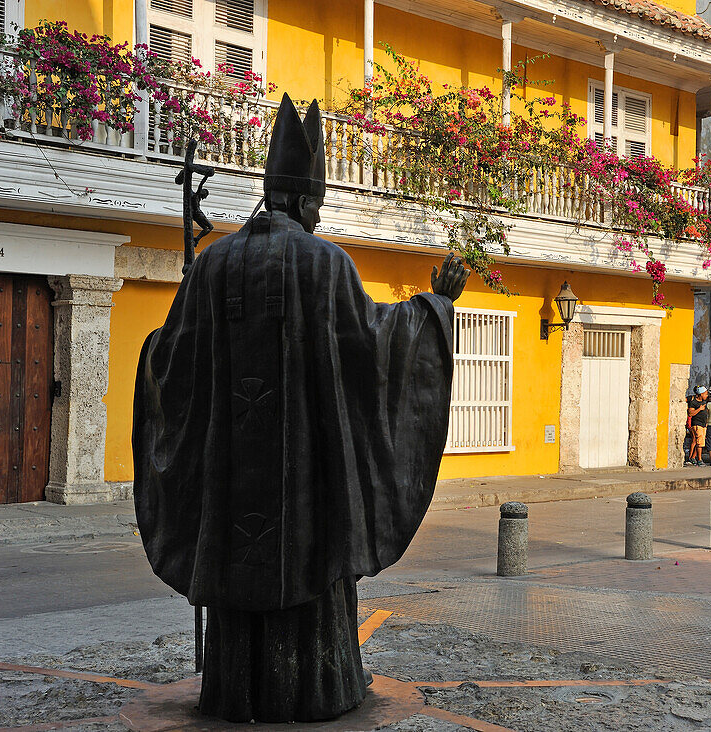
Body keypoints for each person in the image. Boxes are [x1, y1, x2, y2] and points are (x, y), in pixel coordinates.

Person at [132, 95, 469, 723]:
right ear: (308, 199)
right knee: (309, 562)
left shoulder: (213, 265)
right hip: (306, 495)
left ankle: (235, 692)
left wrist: (165, 351)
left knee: (240, 570)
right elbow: (375, 348)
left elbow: (167, 361)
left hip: (230, 491)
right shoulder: (325, 264)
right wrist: (435, 308)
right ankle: (316, 689)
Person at [687, 386, 709, 466]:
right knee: (699, 442)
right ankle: (699, 459)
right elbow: (690, 413)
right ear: (701, 394)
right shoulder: (694, 402)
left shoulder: (704, 402)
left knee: (700, 442)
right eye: (706, 394)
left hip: (703, 425)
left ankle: (693, 457)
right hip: (697, 424)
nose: (707, 396)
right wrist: (699, 409)